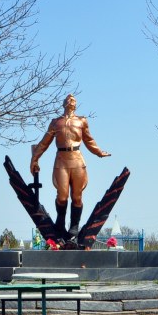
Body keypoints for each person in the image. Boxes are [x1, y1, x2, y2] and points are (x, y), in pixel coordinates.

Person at [30, 94, 110, 236]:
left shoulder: (81, 121)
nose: (71, 99)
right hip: (61, 160)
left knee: (77, 196)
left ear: (76, 105)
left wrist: (98, 152)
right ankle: (60, 222)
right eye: (69, 99)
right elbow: (44, 143)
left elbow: (89, 140)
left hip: (77, 160)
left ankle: (74, 225)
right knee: (62, 196)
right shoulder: (56, 122)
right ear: (63, 104)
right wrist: (35, 159)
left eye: (74, 99)